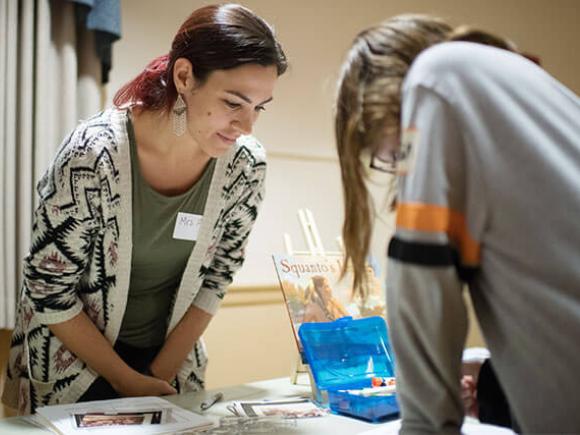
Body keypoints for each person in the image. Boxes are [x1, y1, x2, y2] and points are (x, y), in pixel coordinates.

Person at [2, 3, 287, 415]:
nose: (247, 126)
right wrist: (123, 379)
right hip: (69, 370)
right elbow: (48, 286)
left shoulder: (245, 166)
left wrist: (158, 374)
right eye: (233, 103)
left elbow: (218, 276)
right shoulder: (94, 154)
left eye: (258, 107)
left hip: (167, 368)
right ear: (184, 76)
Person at [334, 14, 580, 434]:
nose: (399, 171)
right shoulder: (537, 90)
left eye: (393, 158)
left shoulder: (436, 77)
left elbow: (421, 279)